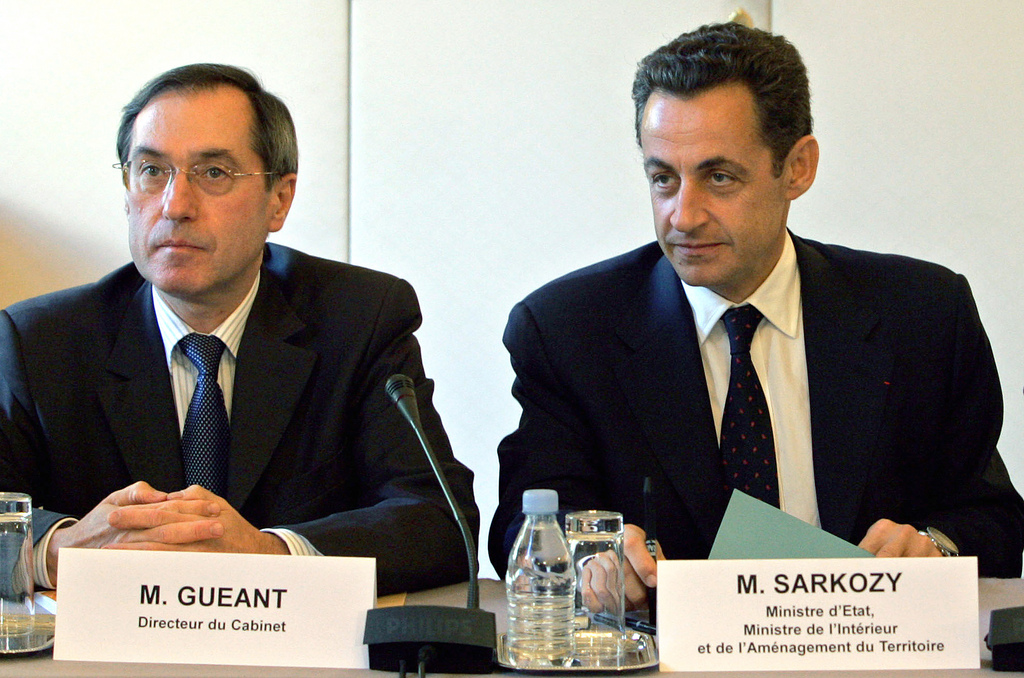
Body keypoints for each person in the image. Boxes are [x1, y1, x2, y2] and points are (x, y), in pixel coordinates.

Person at [488, 23, 1024, 610]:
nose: (683, 216)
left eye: (719, 177)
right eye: (663, 178)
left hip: (870, 652)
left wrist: (933, 549)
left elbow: (994, 519)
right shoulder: (568, 328)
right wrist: (591, 556)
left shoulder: (921, 312)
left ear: (797, 167)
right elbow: (525, 523)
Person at [0, 64, 478, 596]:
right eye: (152, 171)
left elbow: (439, 521)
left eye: (213, 173)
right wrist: (56, 551)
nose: (175, 206)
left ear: (280, 199)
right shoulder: (40, 340)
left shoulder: (359, 319)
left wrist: (267, 553)